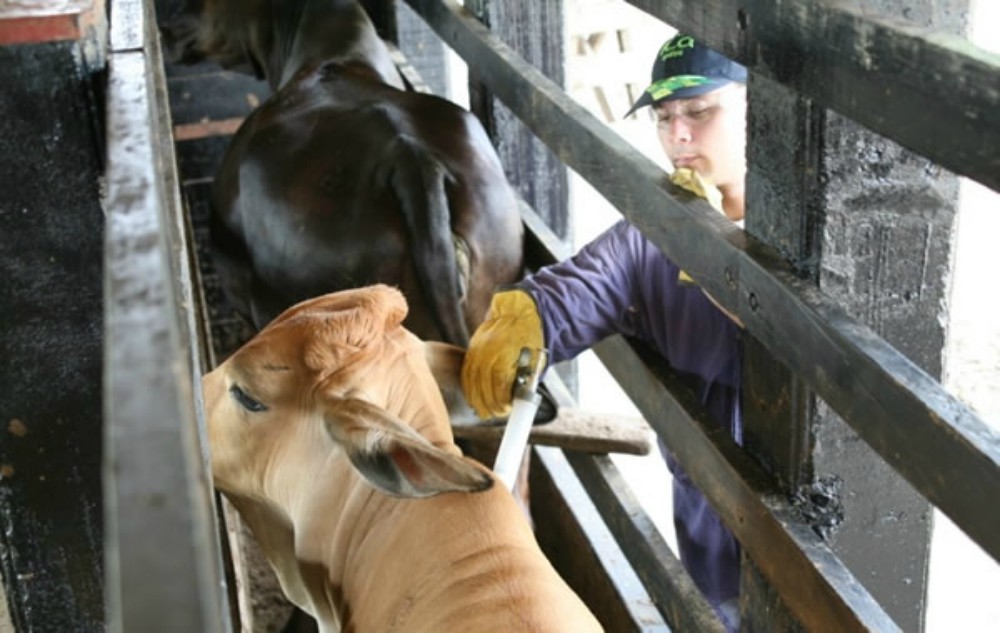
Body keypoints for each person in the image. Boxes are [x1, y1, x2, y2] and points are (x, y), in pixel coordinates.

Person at [460, 33, 748, 631]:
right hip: (707, 504)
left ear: (759, 109)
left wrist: (726, 267)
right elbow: (593, 279)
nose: (678, 135)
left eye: (699, 110)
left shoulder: (824, 247)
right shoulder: (662, 227)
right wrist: (527, 317)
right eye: (665, 117)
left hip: (802, 508)